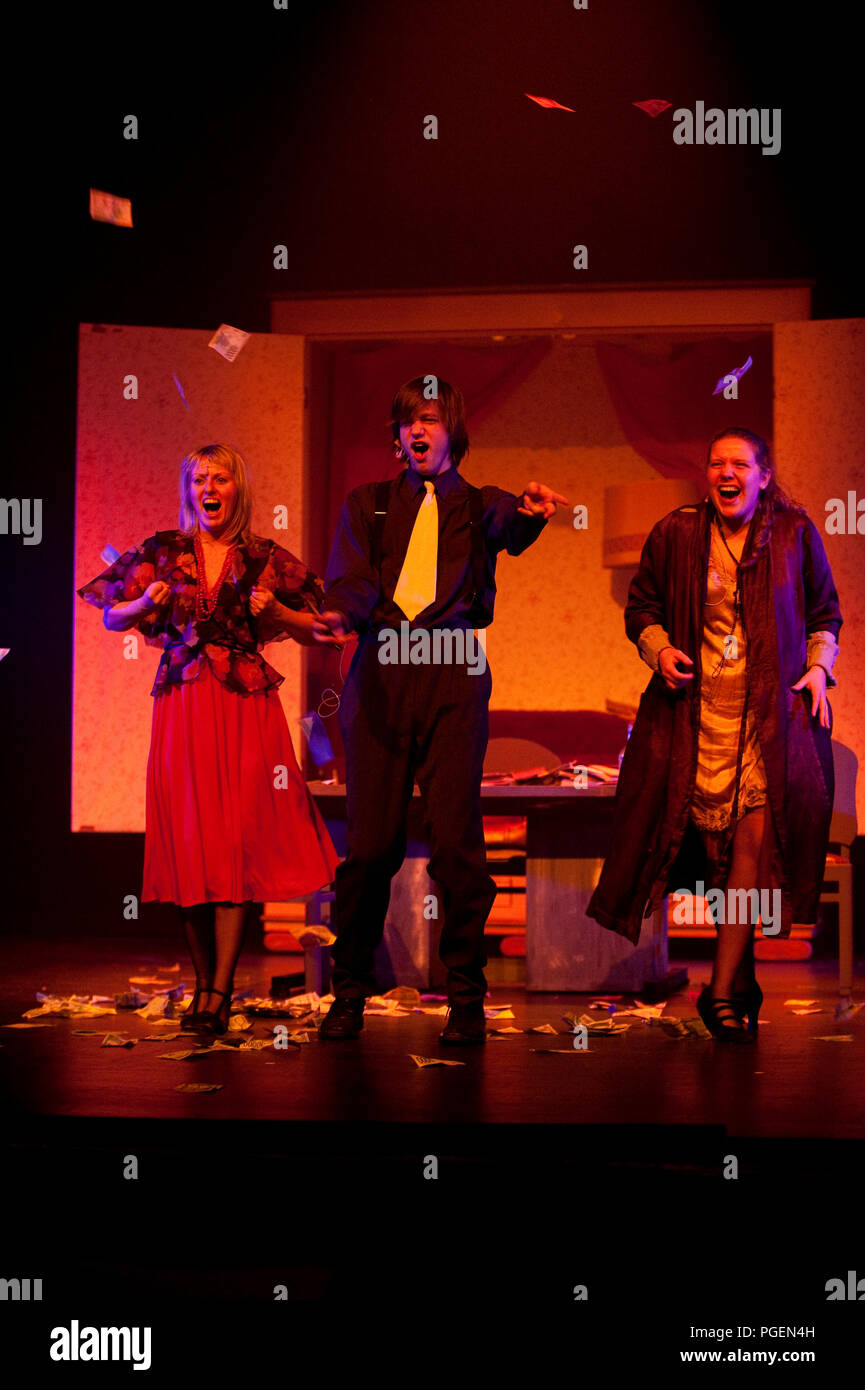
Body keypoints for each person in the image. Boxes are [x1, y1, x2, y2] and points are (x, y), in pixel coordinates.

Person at [312, 377, 567, 1043]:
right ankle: (348, 993)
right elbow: (353, 578)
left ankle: (464, 999)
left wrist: (534, 513)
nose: (416, 431)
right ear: (397, 437)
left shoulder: (480, 506)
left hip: (454, 668)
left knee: (457, 845)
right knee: (369, 849)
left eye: (428, 420)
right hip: (381, 669)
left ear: (451, 429)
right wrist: (340, 610)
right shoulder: (367, 505)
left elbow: (510, 528)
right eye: (407, 422)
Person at [587, 428, 842, 1041]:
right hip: (692, 719)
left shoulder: (794, 532)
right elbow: (641, 608)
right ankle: (742, 977)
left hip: (766, 721)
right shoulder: (676, 532)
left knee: (752, 849)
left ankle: (721, 990)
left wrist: (818, 668)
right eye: (716, 464)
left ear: (762, 475)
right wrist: (660, 648)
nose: (726, 474)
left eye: (739, 464)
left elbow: (824, 612)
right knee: (706, 857)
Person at [78, 444, 340, 1036]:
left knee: (233, 841)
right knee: (191, 841)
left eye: (220, 477)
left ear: (236, 488)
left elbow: (323, 629)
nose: (209, 487)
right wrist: (145, 600)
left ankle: (218, 992)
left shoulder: (264, 558)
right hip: (183, 703)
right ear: (189, 489)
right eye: (200, 479)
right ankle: (204, 987)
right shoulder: (163, 552)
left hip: (245, 706)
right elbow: (109, 617)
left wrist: (277, 610)